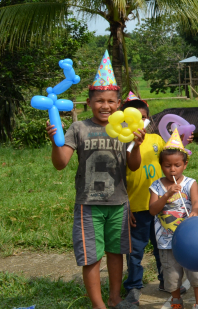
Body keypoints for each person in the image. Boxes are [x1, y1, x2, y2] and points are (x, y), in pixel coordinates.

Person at [46, 52, 143, 309]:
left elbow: (133, 166)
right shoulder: (79, 129)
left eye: (111, 101)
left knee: (115, 253)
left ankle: (114, 298)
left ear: (120, 103)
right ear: (89, 102)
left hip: (118, 202)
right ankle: (98, 305)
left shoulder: (126, 130)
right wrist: (55, 142)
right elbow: (60, 163)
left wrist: (136, 144)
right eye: (99, 100)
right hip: (88, 205)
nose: (105, 106)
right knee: (90, 257)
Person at [121, 93, 173, 305]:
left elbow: (170, 163)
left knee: (163, 247)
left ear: (149, 119)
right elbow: (118, 178)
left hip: (160, 205)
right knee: (135, 251)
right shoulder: (121, 143)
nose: (139, 122)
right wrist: (127, 208)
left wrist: (184, 141)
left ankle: (166, 280)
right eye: (133, 117)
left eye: (143, 117)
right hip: (137, 208)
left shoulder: (156, 140)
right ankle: (133, 286)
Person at [149, 131, 198, 309]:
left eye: (177, 165)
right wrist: (166, 195)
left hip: (190, 240)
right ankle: (176, 301)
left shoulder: (190, 183)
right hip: (167, 241)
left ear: (185, 164)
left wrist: (195, 212)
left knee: (196, 273)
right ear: (161, 165)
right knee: (172, 276)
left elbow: (196, 202)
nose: (172, 169)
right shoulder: (156, 186)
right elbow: (153, 210)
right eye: (167, 165)